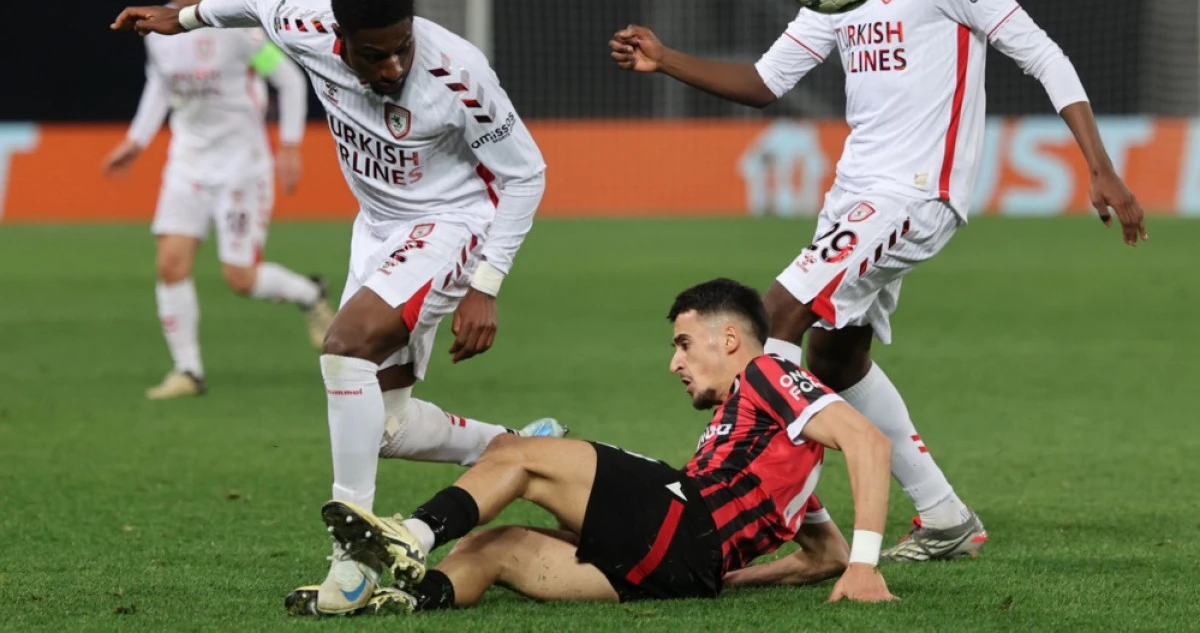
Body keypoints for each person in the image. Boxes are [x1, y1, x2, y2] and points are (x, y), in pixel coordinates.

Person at [609, 0, 1147, 562]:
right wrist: (666, 58)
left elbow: (1043, 54)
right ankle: (946, 518)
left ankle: (722, 499)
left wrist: (1101, 165)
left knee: (772, 317)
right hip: (858, 191)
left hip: (916, 192)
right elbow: (767, 83)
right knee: (836, 360)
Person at [111, 0, 564, 614]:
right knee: (384, 425)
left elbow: (525, 176)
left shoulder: (458, 75)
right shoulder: (304, 24)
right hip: (377, 229)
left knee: (345, 344)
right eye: (373, 55)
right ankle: (521, 448)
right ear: (339, 38)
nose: (391, 68)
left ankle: (351, 558)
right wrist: (183, 19)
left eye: (401, 48)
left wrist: (485, 283)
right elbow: (261, 1)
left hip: (452, 222)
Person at [284, 278, 896, 616]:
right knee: (491, 548)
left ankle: (407, 536)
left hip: (685, 518)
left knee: (519, 451)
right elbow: (826, 555)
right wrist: (730, 580)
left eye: (685, 344)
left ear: (730, 338)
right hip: (683, 572)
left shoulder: (764, 374)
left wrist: (868, 565)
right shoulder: (774, 463)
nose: (675, 362)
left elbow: (866, 440)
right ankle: (405, 599)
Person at [102, 0, 332, 399]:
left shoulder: (235, 30)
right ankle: (188, 370)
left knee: (240, 279)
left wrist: (289, 146)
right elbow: (159, 89)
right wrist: (136, 141)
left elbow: (286, 79)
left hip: (241, 169)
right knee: (170, 263)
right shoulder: (155, 30)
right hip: (186, 165)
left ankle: (308, 292)